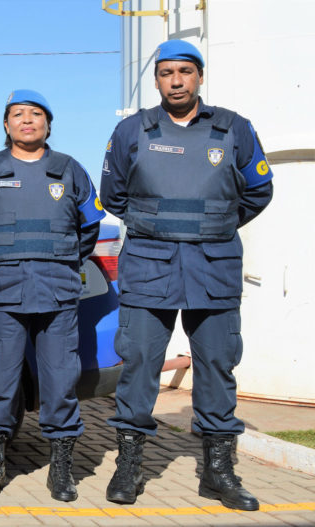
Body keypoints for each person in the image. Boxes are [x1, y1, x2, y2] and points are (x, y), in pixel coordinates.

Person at [100, 39, 273, 511]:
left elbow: (258, 189)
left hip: (213, 269)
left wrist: (216, 225)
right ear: (156, 79)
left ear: (199, 76)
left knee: (217, 367)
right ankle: (129, 467)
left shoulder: (233, 128)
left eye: (185, 72)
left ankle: (218, 473)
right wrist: (158, 229)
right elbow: (113, 195)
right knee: (138, 367)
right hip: (149, 269)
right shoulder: (132, 130)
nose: (175, 81)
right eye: (166, 73)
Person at [0, 90, 104, 502]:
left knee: (60, 383)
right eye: (18, 115)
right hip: (5, 294)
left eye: (35, 114)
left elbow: (89, 226)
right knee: (1, 382)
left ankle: (61, 469)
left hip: (57, 295)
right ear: (6, 125)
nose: (27, 120)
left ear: (47, 124)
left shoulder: (69, 170)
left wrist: (62, 261)